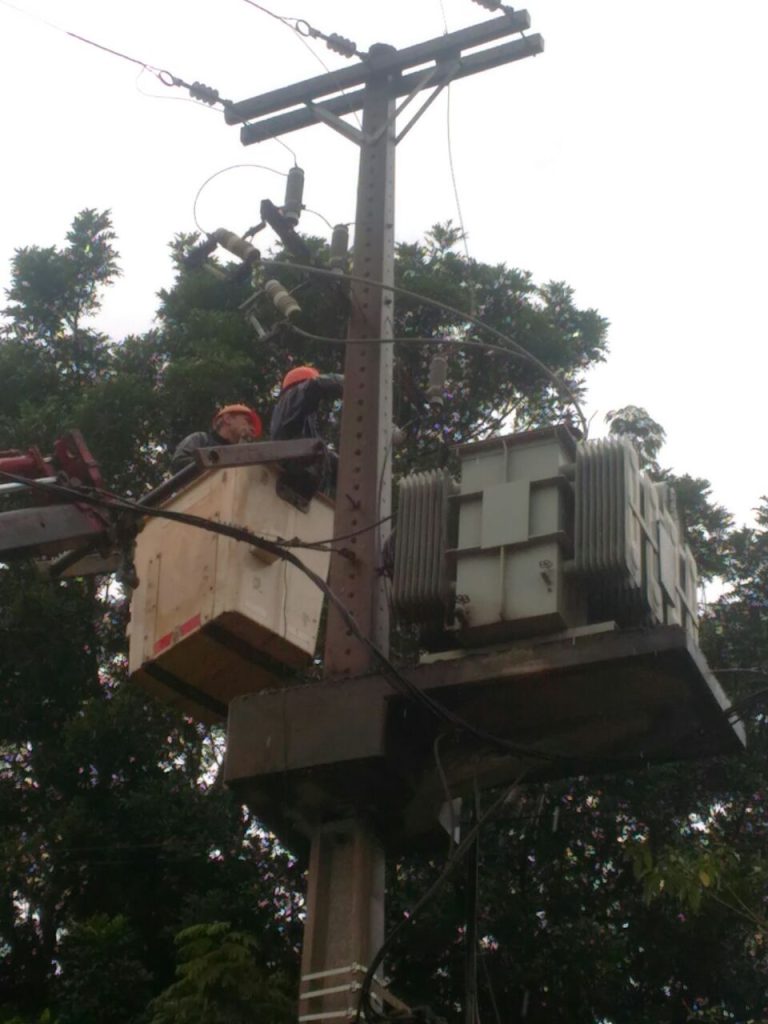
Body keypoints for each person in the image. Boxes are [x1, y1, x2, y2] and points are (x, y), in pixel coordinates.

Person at [270, 366, 343, 499]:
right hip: (289, 486)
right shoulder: (290, 400)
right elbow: (313, 386)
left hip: (301, 494)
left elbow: (325, 459)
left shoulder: (307, 423)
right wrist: (345, 382)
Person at [170, 404, 263, 475]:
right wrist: (213, 462)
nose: (252, 428)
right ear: (228, 419)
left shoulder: (242, 453)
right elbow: (178, 464)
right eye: (247, 421)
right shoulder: (201, 439)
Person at [269, 365, 344, 443]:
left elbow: (317, 448)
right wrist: (347, 380)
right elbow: (314, 385)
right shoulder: (290, 399)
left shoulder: (303, 417)